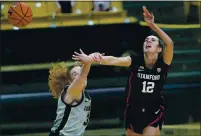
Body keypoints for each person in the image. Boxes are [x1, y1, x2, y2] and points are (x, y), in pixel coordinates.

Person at [73, 6, 174, 136]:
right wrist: (94, 58)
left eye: (152, 40)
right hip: (133, 111)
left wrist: (152, 25)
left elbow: (170, 43)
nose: (148, 40)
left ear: (159, 49)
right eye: (146, 40)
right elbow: (113, 60)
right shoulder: (135, 61)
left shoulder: (163, 64)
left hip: (153, 111)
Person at [48, 49, 93, 136]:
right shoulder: (72, 91)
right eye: (75, 74)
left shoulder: (83, 94)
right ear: (69, 81)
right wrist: (88, 62)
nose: (80, 75)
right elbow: (82, 78)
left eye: (80, 72)